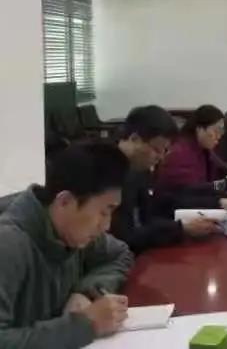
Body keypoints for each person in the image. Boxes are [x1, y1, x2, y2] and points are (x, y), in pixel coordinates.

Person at [0, 143, 133, 349]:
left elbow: (120, 254)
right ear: (65, 202)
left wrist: (86, 291)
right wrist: (86, 325)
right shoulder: (9, 245)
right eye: (103, 212)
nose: (106, 226)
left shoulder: (73, 230)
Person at [111, 105, 227, 255]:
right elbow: (127, 235)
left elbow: (160, 206)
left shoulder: (139, 167)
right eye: (156, 150)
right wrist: (181, 228)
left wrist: (218, 200)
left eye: (165, 150)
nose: (161, 157)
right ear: (134, 139)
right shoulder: (109, 172)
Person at [156, 105, 227, 210]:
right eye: (216, 131)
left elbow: (221, 169)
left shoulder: (202, 148)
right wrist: (226, 189)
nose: (219, 136)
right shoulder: (180, 153)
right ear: (199, 129)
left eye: (221, 131)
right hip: (173, 212)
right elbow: (190, 191)